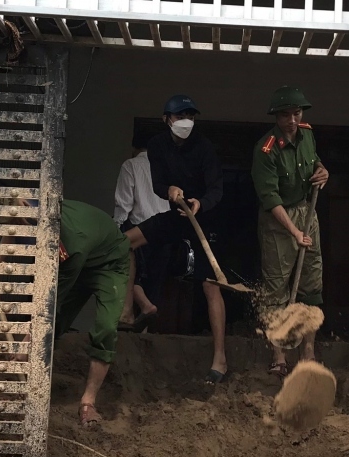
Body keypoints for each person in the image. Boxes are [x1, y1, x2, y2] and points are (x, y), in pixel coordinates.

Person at [123, 94, 229, 383]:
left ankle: (220, 357)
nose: (186, 122)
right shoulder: (157, 146)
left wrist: (200, 203)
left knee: (211, 284)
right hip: (174, 215)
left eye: (191, 117)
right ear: (166, 119)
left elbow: (217, 189)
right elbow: (158, 184)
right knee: (123, 244)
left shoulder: (204, 147)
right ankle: (127, 312)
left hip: (202, 220)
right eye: (180, 116)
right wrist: (169, 189)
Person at [251, 86, 329, 378]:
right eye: (286, 115)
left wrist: (323, 171)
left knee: (311, 283)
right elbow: (270, 199)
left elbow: (315, 163)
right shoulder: (266, 149)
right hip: (279, 220)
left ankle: (307, 353)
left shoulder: (307, 134)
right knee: (276, 288)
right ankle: (279, 354)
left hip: (307, 211)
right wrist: (295, 232)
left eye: (297, 113)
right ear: (276, 116)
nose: (293, 120)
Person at [56, 200, 131, 427]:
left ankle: (88, 403)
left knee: (106, 327)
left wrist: (28, 336)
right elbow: (13, 225)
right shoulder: (27, 205)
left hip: (109, 262)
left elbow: (45, 307)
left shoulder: (73, 246)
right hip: (81, 254)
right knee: (57, 321)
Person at [114, 136, 169, 330]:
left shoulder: (131, 165)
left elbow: (124, 204)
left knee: (128, 273)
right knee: (155, 283)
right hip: (165, 230)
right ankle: (145, 332)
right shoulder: (167, 166)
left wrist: (117, 231)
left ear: (134, 147)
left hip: (140, 228)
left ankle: (139, 311)